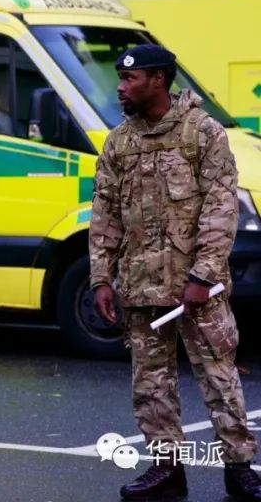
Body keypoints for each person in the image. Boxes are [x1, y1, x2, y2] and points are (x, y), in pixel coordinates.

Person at [90, 43, 261, 501]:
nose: (121, 88)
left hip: (197, 288)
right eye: (121, 78)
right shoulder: (118, 142)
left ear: (158, 80)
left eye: (130, 79)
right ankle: (166, 469)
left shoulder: (202, 133)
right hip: (140, 287)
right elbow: (104, 214)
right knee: (151, 385)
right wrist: (101, 278)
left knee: (219, 379)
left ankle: (240, 468)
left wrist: (203, 277)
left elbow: (221, 209)